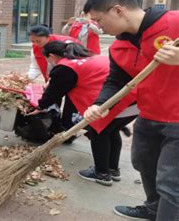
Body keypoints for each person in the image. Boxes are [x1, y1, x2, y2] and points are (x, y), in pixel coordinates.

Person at [83, 0, 179, 221]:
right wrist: (99, 104)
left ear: (117, 10)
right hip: (149, 116)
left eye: (98, 20)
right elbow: (116, 80)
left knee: (171, 182)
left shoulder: (175, 23)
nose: (96, 27)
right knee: (143, 164)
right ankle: (154, 209)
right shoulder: (118, 47)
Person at [31, 41, 137, 186]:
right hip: (133, 100)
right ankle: (112, 170)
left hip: (118, 102)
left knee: (99, 133)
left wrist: (41, 106)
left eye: (47, 60)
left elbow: (54, 93)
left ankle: (102, 173)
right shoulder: (88, 58)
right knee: (111, 131)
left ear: (51, 56)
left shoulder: (65, 67)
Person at [27, 25, 82, 138]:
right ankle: (54, 129)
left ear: (48, 37)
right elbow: (35, 67)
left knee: (71, 106)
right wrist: (27, 80)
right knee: (52, 103)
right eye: (33, 41)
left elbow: (69, 67)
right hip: (54, 79)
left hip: (73, 79)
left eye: (38, 41)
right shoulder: (35, 48)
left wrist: (53, 79)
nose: (36, 44)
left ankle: (68, 133)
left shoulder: (66, 44)